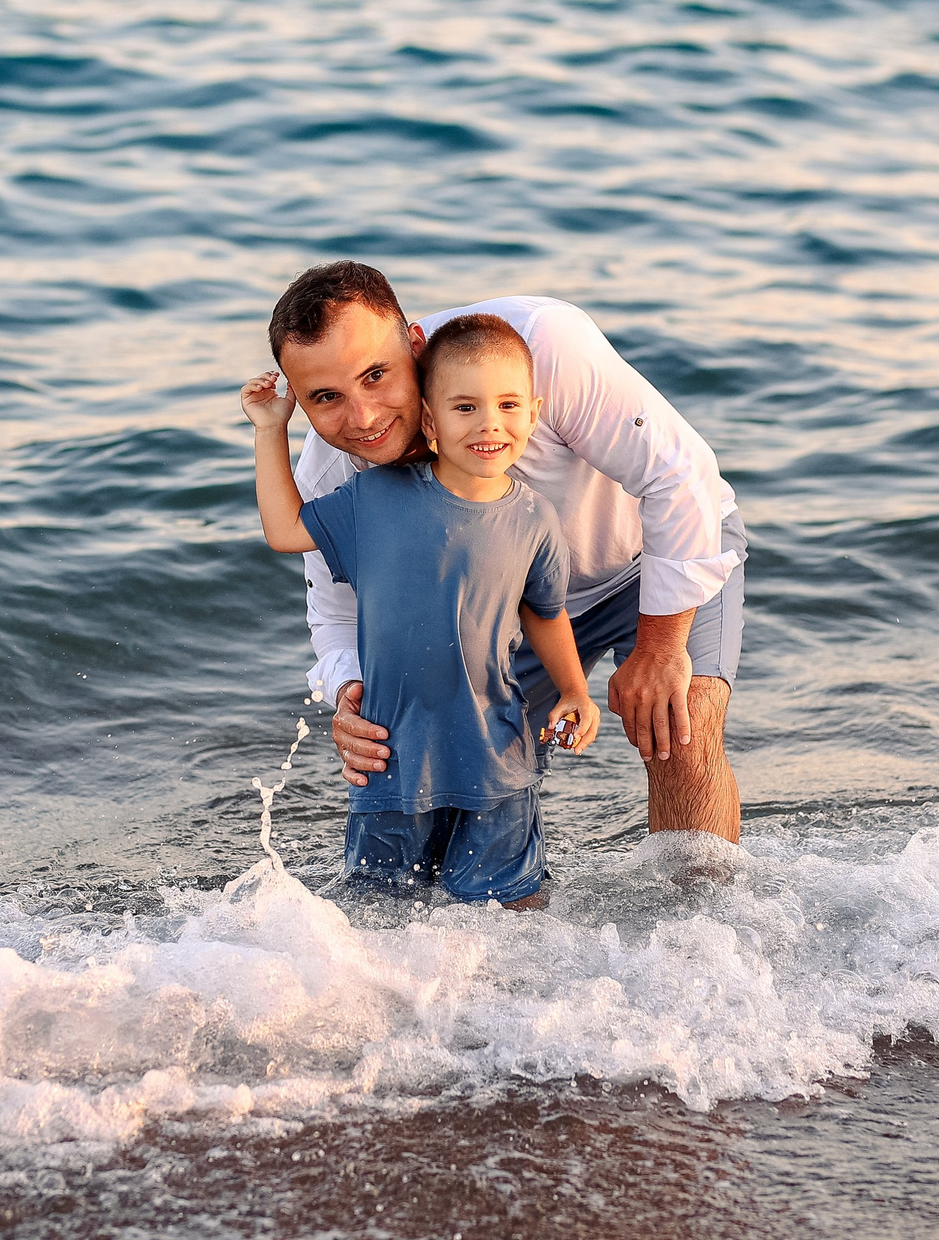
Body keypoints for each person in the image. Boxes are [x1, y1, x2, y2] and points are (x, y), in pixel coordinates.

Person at [266, 261, 745, 843]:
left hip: (655, 556)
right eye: (326, 397)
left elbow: (679, 477)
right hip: (513, 609)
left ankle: (705, 928)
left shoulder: (540, 348)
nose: (363, 417)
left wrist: (663, 646)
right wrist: (351, 695)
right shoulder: (330, 470)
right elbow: (338, 610)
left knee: (679, 728)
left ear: (414, 344)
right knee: (445, 797)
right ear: (298, 401)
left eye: (376, 375)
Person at [241, 314, 601, 906]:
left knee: (510, 909)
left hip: (497, 755)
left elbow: (545, 612)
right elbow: (283, 530)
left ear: (533, 414)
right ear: (431, 421)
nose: (490, 424)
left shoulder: (536, 518)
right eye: (465, 408)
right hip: (393, 757)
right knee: (378, 911)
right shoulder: (372, 497)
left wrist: (573, 691)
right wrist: (269, 430)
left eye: (508, 406)